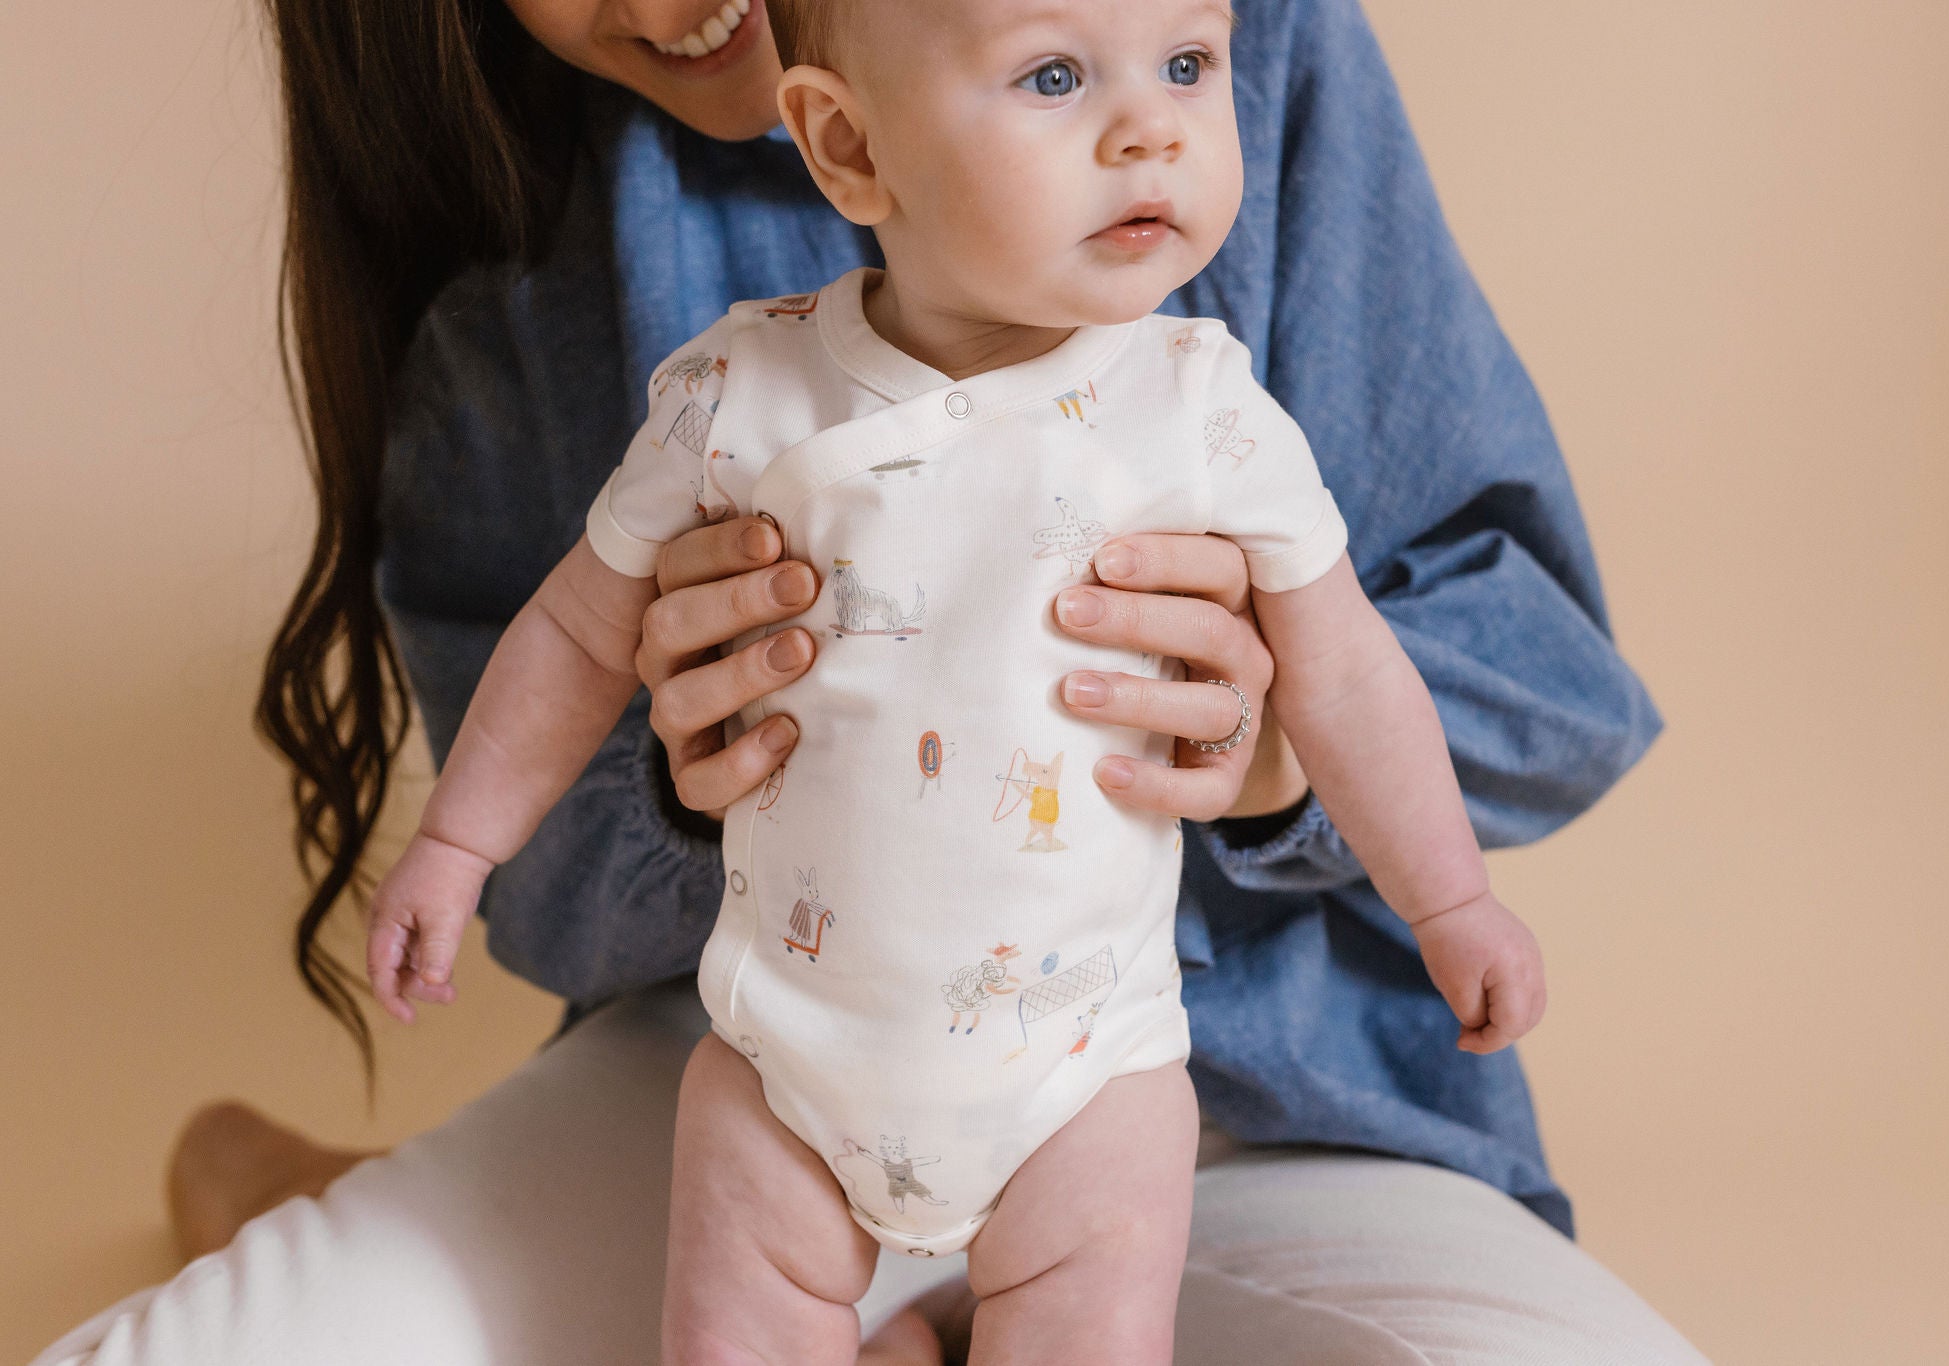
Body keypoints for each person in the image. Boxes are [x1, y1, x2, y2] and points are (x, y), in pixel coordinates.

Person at [31, 0, 1704, 1361]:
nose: (1151, 121)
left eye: (1181, 67)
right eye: (1053, 77)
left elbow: (1471, 670)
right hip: (781, 1065)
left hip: (1180, 1088)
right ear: (848, 140)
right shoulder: (709, 360)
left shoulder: (1198, 378)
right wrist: (595, 801)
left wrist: (1346, 808)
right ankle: (334, 1199)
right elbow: (551, 647)